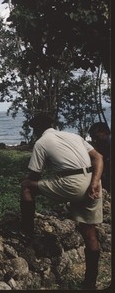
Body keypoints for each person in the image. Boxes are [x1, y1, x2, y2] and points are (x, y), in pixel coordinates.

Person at [17, 113, 104, 289]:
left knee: (27, 186)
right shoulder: (73, 136)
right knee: (90, 234)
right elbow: (98, 157)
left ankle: (27, 232)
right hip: (93, 182)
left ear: (36, 129)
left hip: (72, 184)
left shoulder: (41, 142)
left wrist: (28, 180)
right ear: (52, 125)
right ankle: (90, 283)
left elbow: (35, 175)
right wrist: (94, 182)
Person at [89, 122, 111, 193]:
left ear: (106, 132)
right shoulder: (100, 148)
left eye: (96, 137)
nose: (94, 141)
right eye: (92, 138)